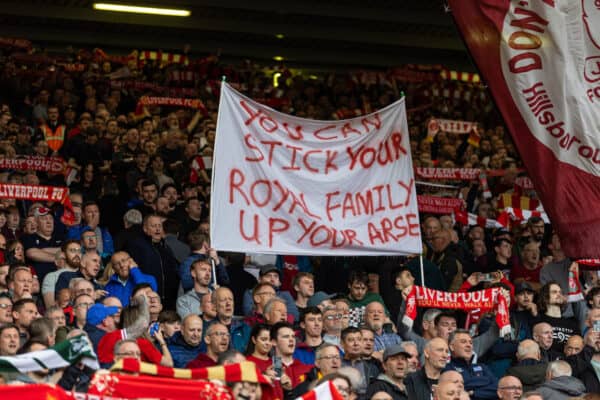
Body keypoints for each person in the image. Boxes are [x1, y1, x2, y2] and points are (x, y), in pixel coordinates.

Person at [126, 214, 179, 309]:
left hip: (168, 300)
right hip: (147, 297)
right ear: (145, 229)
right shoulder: (137, 245)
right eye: (154, 226)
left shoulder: (166, 247)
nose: (158, 229)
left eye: (159, 226)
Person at [22, 207, 64, 283]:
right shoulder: (28, 237)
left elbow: (66, 251)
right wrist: (58, 258)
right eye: (44, 218)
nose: (48, 221)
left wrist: (42, 251)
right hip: (37, 282)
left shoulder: (61, 237)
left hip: (61, 281)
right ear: (36, 222)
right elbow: (32, 254)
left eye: (51, 218)